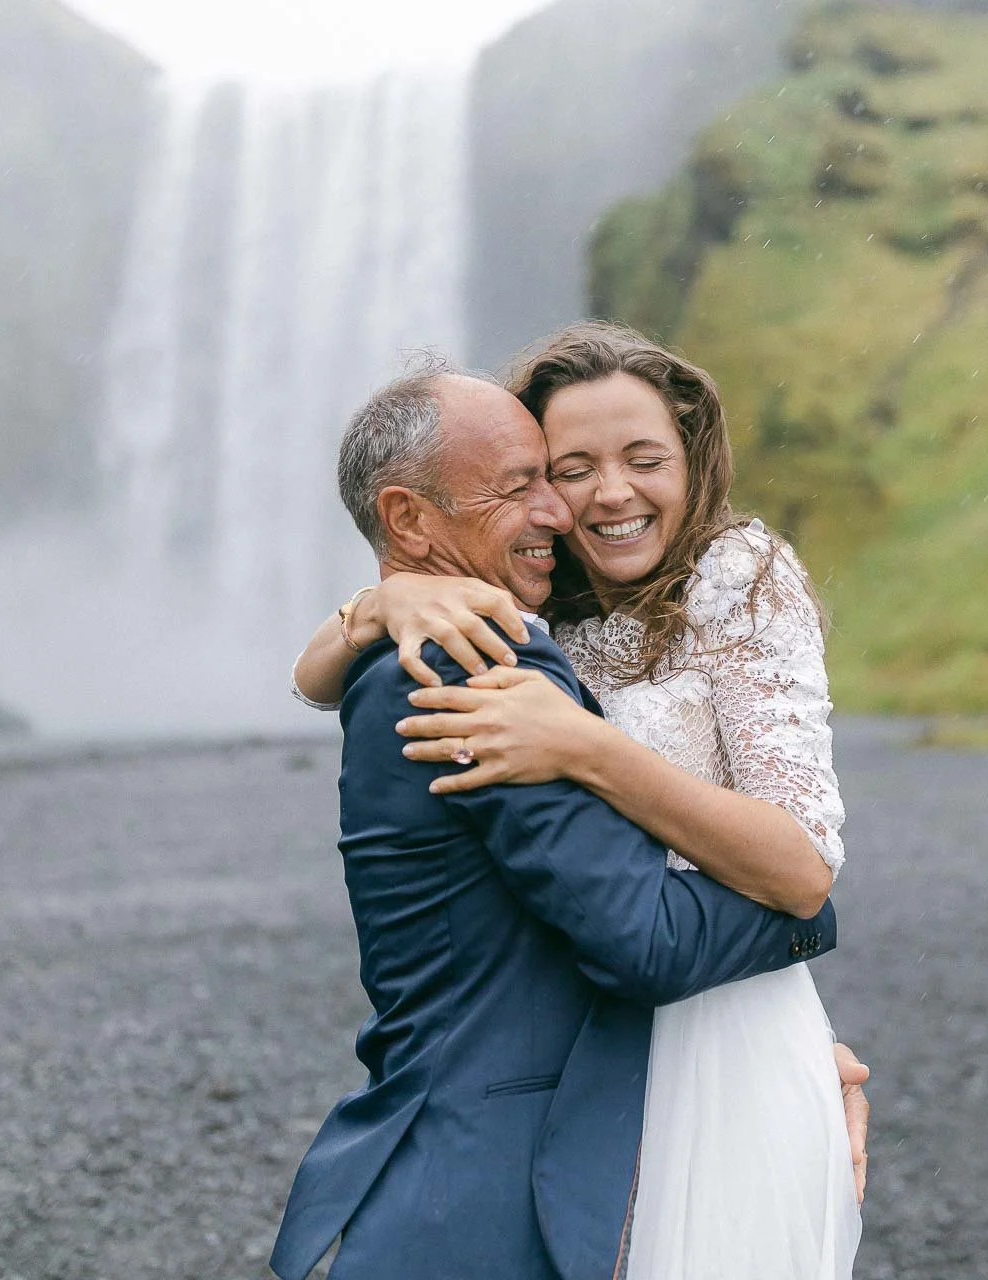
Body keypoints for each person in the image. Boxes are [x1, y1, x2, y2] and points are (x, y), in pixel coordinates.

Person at [290, 322, 864, 1279]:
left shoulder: (738, 580)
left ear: (696, 460)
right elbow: (320, 679)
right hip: (621, 1046)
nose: (593, 499)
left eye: (646, 459)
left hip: (714, 1021)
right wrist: (379, 605)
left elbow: (798, 869)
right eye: (552, 473)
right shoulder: (519, 609)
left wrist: (590, 746)